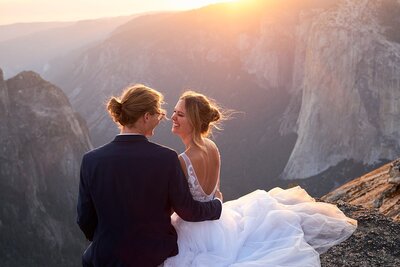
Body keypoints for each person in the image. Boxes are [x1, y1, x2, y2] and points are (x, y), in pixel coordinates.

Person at [164, 91, 357, 266]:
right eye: (174, 112)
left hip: (193, 232)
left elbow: (181, 205)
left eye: (180, 114)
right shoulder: (212, 147)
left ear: (195, 121)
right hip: (219, 226)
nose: (173, 117)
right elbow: (217, 192)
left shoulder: (183, 159)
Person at [76, 84, 222, 267]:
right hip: (153, 257)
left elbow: (84, 217)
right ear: (146, 117)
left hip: (105, 257)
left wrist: (107, 240)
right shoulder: (167, 158)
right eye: (158, 114)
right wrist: (217, 206)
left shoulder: (91, 160)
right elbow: (187, 210)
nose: (162, 118)